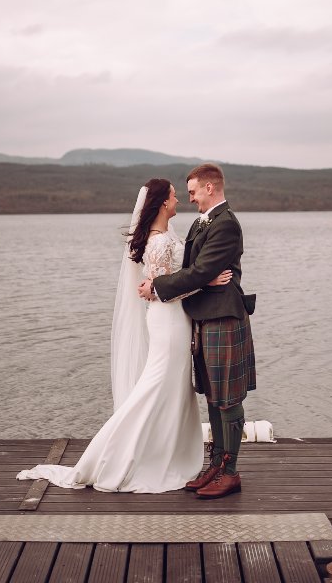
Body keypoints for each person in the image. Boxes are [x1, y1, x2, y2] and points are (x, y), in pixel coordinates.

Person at [16, 178, 231, 493]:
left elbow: (167, 281)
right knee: (155, 387)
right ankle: (113, 454)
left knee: (173, 389)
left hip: (175, 320)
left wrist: (169, 284)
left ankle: (165, 453)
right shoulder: (158, 242)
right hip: (168, 321)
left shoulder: (167, 235)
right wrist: (206, 283)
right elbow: (167, 290)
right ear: (162, 202)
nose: (179, 201)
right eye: (174, 196)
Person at [138, 162, 256, 499]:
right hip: (204, 317)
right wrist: (200, 278)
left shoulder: (226, 224)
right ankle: (216, 465)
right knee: (213, 395)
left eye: (192, 192)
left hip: (224, 318)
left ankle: (230, 473)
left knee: (228, 397)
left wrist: (158, 287)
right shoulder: (202, 221)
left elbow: (201, 270)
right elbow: (195, 271)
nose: (190, 198)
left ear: (209, 187)